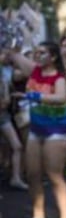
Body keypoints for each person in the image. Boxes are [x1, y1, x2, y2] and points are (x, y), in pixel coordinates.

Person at [7, 42, 66, 218]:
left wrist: (34, 96)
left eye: (42, 52)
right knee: (33, 174)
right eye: (36, 51)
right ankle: (38, 215)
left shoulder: (59, 78)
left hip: (56, 132)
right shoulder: (34, 70)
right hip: (36, 130)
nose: (37, 55)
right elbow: (12, 54)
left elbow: (61, 97)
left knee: (54, 175)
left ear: (52, 57)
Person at [0, 51, 27, 190]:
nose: (6, 56)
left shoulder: (8, 70)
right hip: (3, 112)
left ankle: (15, 178)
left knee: (17, 146)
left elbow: (27, 72)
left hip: (4, 114)